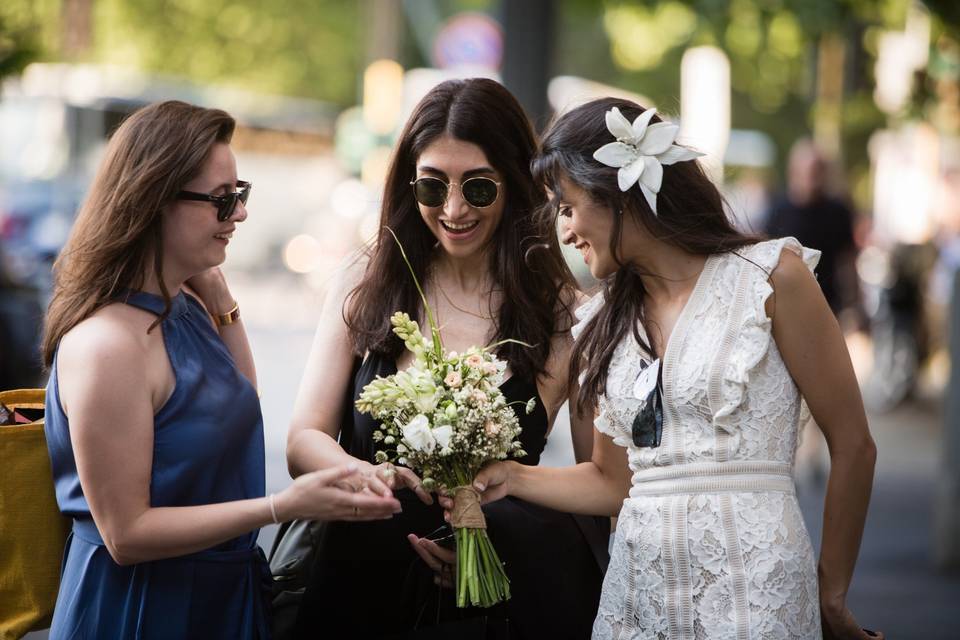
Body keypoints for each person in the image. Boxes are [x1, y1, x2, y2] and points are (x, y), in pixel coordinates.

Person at [457, 98, 882, 639]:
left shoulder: (770, 278)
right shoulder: (601, 324)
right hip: (639, 598)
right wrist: (513, 477)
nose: (564, 232)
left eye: (568, 207)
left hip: (756, 592)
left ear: (620, 191)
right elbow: (613, 483)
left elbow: (853, 444)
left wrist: (833, 592)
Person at [40, 100, 400, 639]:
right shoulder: (108, 346)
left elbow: (237, 409)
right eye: (222, 200)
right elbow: (126, 533)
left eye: (241, 193)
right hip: (141, 610)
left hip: (214, 598)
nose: (240, 213)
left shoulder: (181, 306)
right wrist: (282, 505)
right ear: (154, 200)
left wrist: (222, 299)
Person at [286, 78, 609, 639]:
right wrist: (369, 475)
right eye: (433, 187)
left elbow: (598, 484)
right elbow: (302, 440)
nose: (454, 209)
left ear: (514, 183)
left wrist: (503, 548)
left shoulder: (564, 317)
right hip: (351, 590)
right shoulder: (365, 282)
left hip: (479, 606)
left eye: (478, 188)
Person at [764, 139, 858, 317]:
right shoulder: (778, 211)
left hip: (828, 302)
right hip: (787, 303)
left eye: (817, 170)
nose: (812, 177)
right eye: (808, 170)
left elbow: (848, 259)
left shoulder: (837, 211)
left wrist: (853, 302)